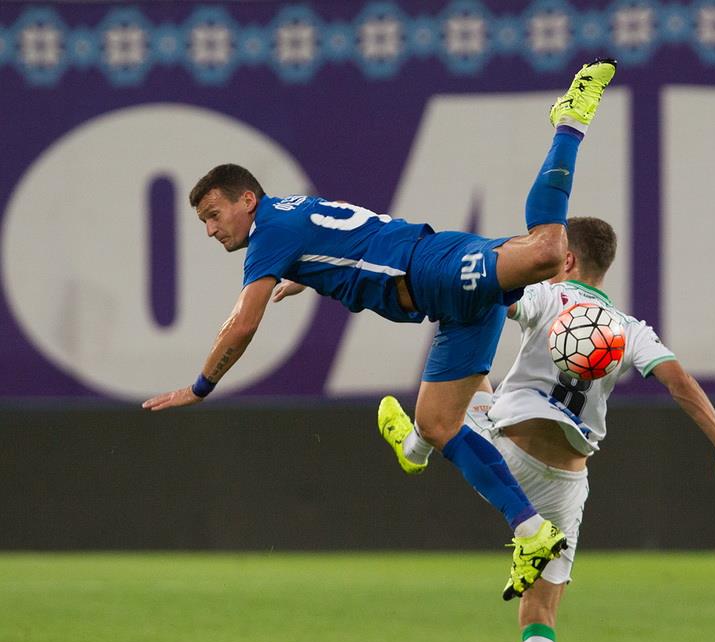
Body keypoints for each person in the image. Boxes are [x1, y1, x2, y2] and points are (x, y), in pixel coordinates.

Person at [142, 59, 618, 595]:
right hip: (446, 299)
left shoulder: (269, 232)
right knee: (438, 425)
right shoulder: (289, 215)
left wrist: (200, 386)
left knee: (548, 253)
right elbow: (348, 235)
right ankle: (530, 531)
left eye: (213, 214)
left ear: (247, 200)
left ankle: (569, 121)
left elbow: (242, 323)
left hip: (431, 267)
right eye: (204, 221)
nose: (210, 229)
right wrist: (309, 274)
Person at [379, 216, 715, 642]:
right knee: (540, 614)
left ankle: (416, 447)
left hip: (506, 451)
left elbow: (483, 294)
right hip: (566, 479)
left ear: (566, 258)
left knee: (469, 372)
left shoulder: (545, 296)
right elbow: (681, 384)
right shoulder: (630, 330)